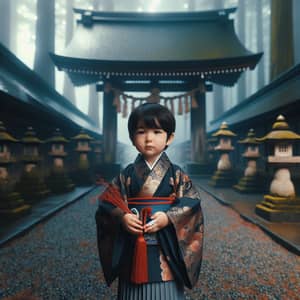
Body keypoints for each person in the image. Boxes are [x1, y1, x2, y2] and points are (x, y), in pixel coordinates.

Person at [96, 103, 204, 300]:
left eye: (157, 131)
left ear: (169, 137)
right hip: (133, 245)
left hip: (166, 247)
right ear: (131, 137)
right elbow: (107, 202)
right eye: (141, 131)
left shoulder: (176, 173)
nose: (149, 138)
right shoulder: (126, 174)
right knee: (132, 291)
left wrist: (169, 217)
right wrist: (123, 217)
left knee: (166, 290)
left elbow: (192, 201)